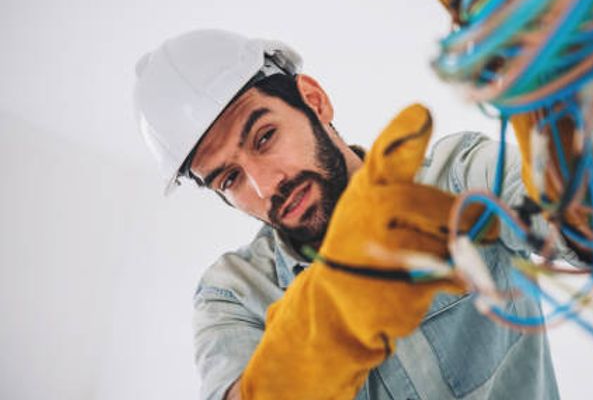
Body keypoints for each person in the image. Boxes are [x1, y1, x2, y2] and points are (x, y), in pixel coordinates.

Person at [133, 29, 566, 400]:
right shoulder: (232, 293)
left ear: (314, 100)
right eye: (230, 179)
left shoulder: (457, 175)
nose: (265, 186)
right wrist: (334, 311)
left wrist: (583, 136)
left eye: (264, 137)